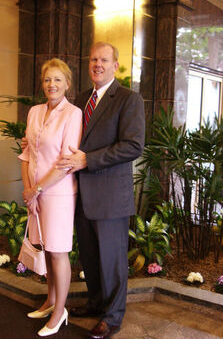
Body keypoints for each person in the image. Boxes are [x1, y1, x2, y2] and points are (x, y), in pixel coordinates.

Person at [56, 42, 145, 339]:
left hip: (109, 196)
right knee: (91, 257)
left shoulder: (129, 99)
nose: (97, 64)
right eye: (93, 59)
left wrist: (88, 159)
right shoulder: (81, 98)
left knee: (112, 259)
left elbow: (133, 145)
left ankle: (113, 316)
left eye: (104, 60)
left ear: (115, 64)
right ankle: (96, 303)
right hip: (81, 193)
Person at [18, 58, 82, 337]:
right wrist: (28, 190)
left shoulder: (73, 114)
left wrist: (38, 189)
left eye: (57, 80)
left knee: (58, 252)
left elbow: (66, 162)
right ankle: (50, 300)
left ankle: (60, 312)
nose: (51, 84)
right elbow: (26, 153)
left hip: (58, 193)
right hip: (36, 193)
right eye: (47, 80)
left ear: (67, 84)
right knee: (45, 246)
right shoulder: (33, 112)